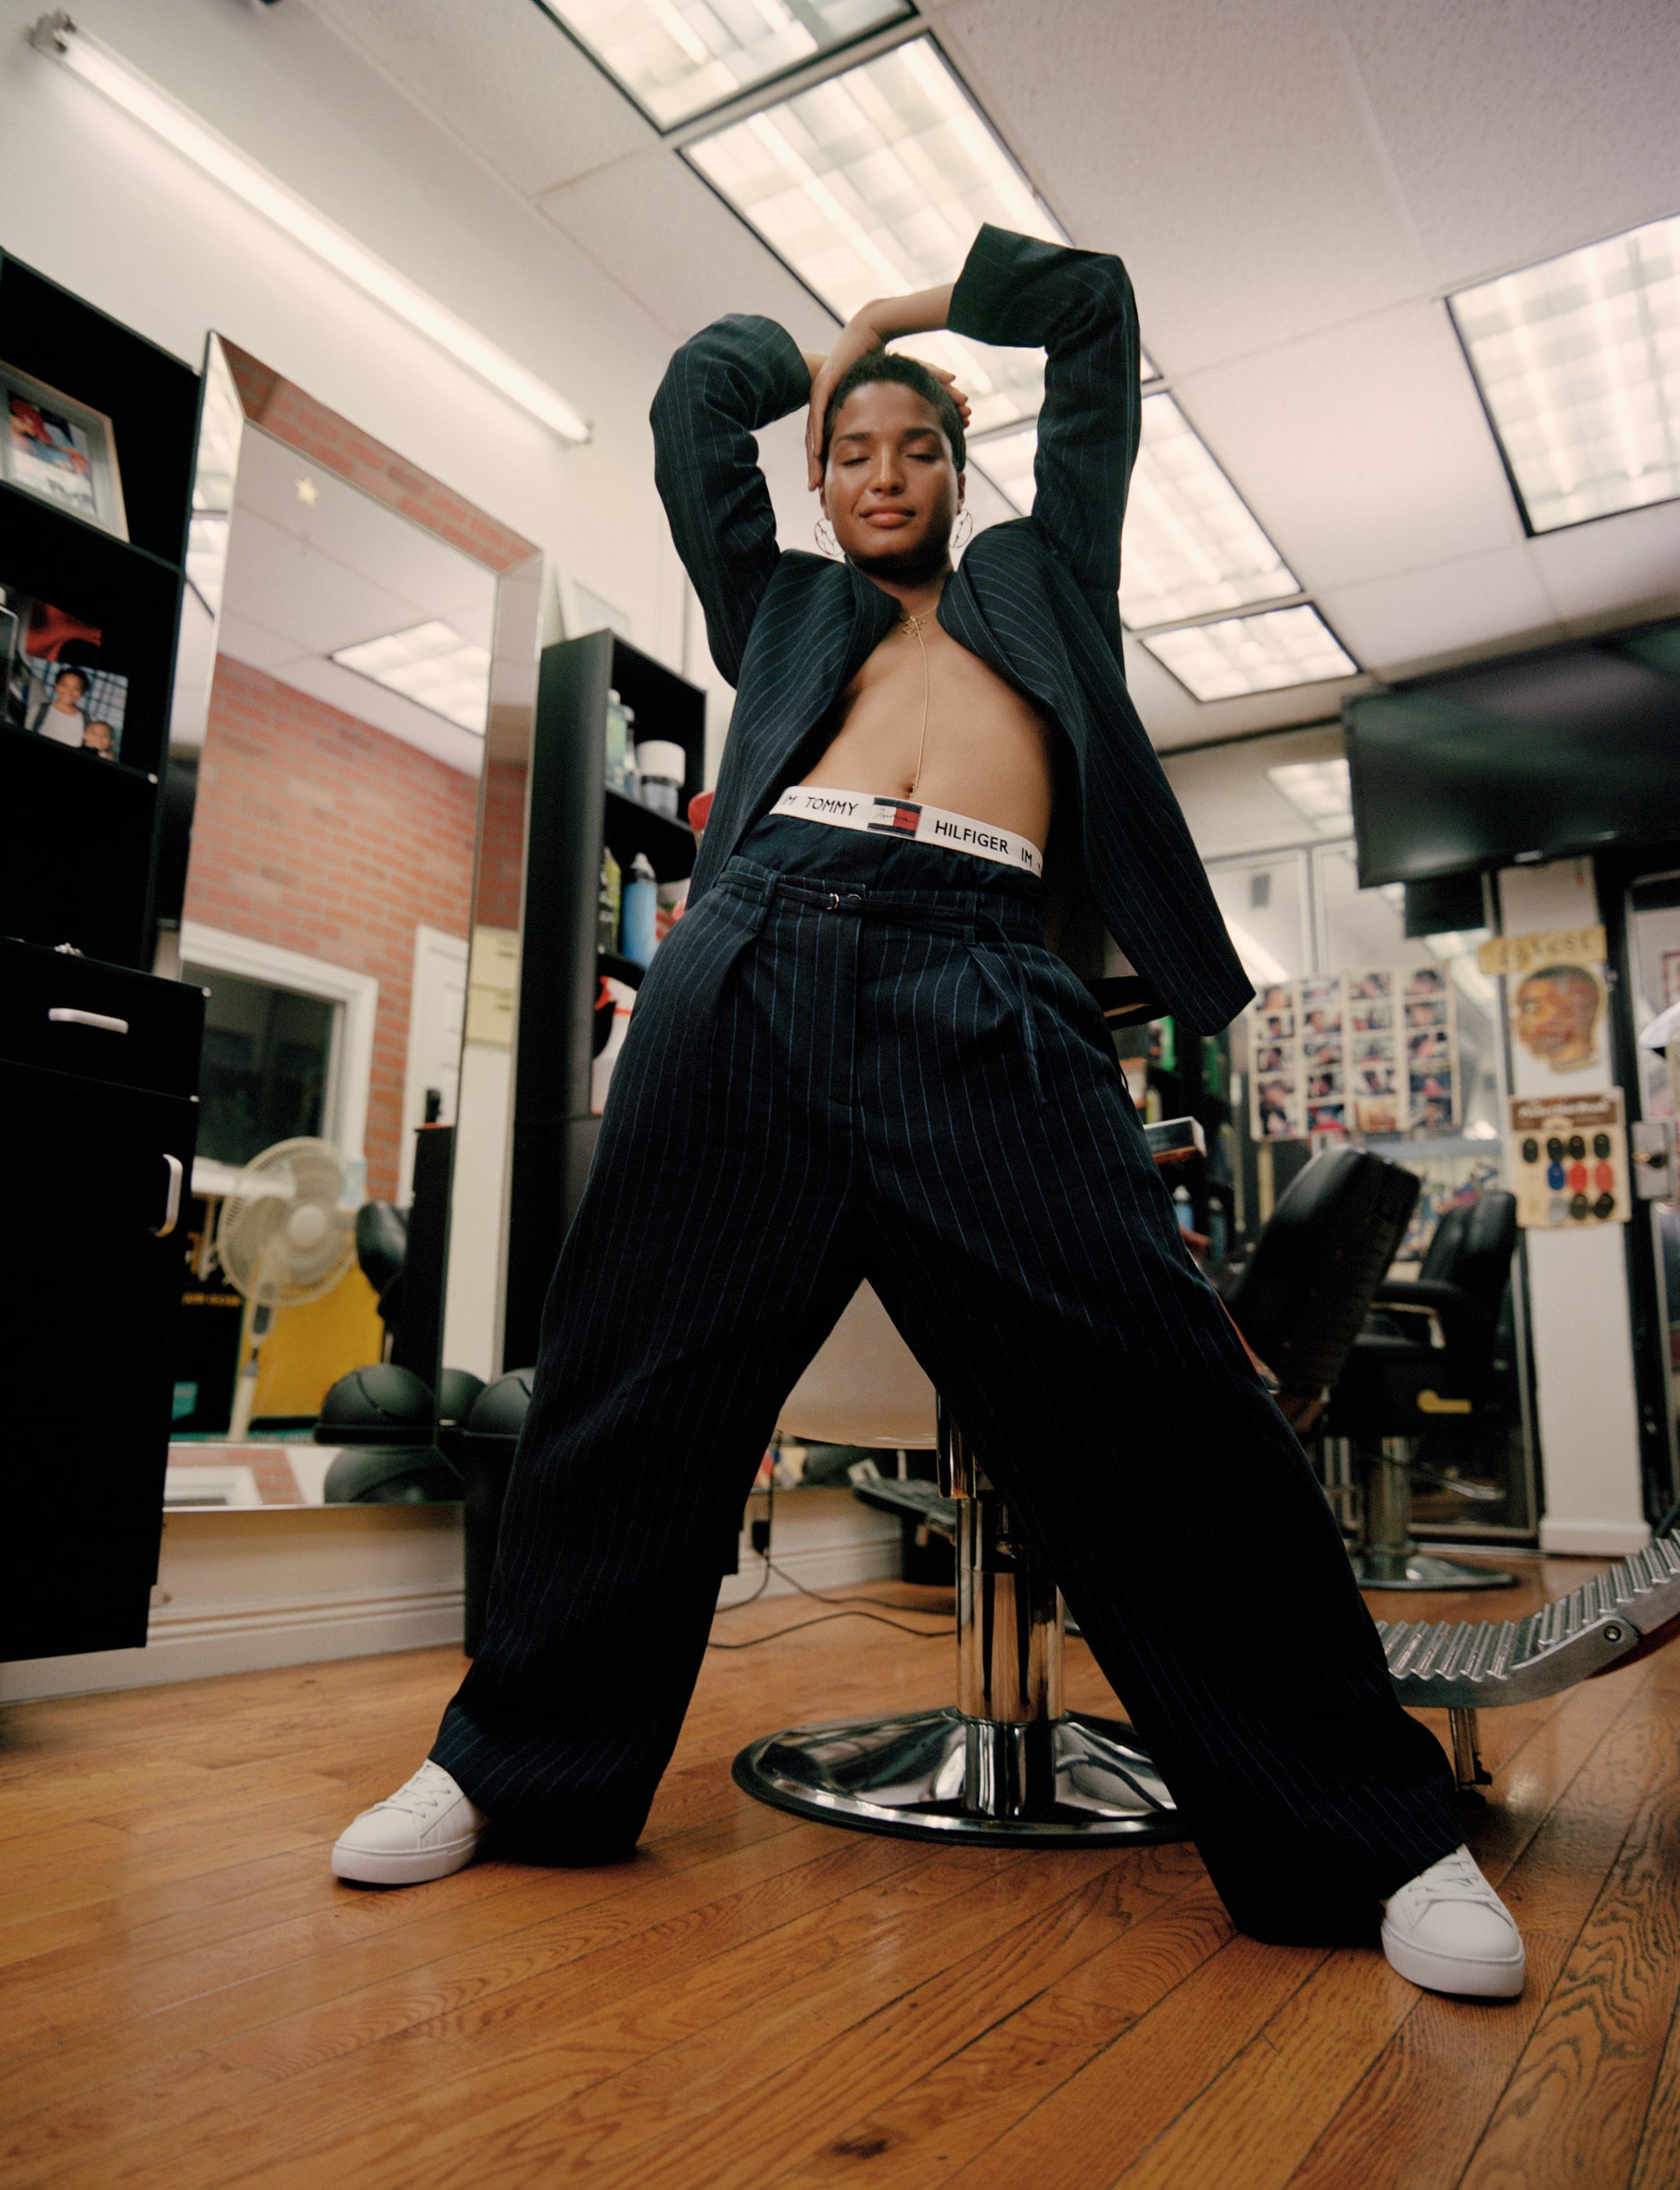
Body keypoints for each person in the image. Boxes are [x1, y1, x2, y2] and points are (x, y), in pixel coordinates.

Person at [335, 226, 1524, 2000]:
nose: (882, 474)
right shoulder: (780, 607)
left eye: (914, 447)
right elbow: (693, 404)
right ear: (816, 482)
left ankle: (1370, 1830)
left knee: (1164, 1401)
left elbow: (1093, 311)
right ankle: (511, 1765)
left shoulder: (1044, 574)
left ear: (962, 473)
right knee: (624, 1383)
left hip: (982, 973)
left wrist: (902, 313)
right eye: (850, 453)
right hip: (751, 953)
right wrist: (819, 359)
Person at [29, 664, 90, 746]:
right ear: (56, 685)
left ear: (82, 692)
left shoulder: (85, 719)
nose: (69, 691)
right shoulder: (39, 710)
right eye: (64, 685)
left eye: (76, 688)